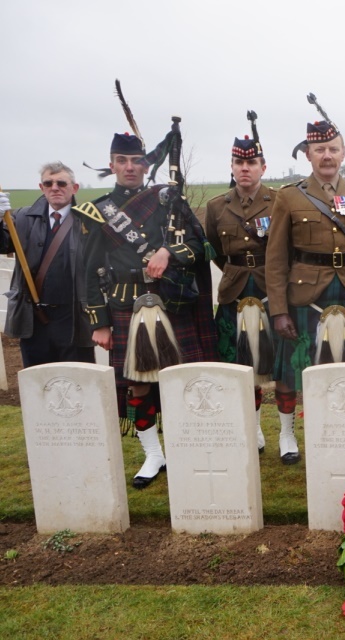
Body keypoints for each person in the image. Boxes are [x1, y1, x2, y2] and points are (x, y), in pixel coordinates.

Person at [75, 96, 217, 489]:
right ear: (112, 164)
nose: (131, 167)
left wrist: (168, 250)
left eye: (137, 161)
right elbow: (88, 272)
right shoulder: (96, 211)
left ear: (146, 164)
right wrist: (99, 323)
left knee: (179, 379)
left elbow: (199, 247)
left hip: (172, 301)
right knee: (138, 382)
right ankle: (153, 454)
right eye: (122, 161)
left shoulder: (167, 201)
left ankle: (185, 444)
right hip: (125, 306)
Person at [265, 109, 345, 464]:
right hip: (305, 294)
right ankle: (288, 432)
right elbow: (275, 259)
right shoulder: (289, 196)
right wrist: (279, 309)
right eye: (319, 150)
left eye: (333, 149)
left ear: (343, 152)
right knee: (293, 369)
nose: (327, 156)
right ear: (308, 155)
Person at [204, 112, 276, 454]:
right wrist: (235, 270)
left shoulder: (279, 202)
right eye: (238, 163)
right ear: (232, 167)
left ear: (263, 167)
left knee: (276, 363)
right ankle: (254, 426)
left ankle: (287, 435)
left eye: (251, 163)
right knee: (240, 364)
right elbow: (214, 251)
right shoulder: (217, 206)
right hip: (234, 290)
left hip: (270, 290)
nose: (244, 169)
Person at [0, 162, 94, 367]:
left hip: (74, 318)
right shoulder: (22, 218)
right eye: (48, 183)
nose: (55, 187)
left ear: (74, 188)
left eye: (61, 183)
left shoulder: (88, 221)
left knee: (77, 381)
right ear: (41, 188)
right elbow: (2, 243)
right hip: (34, 319)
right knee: (39, 383)